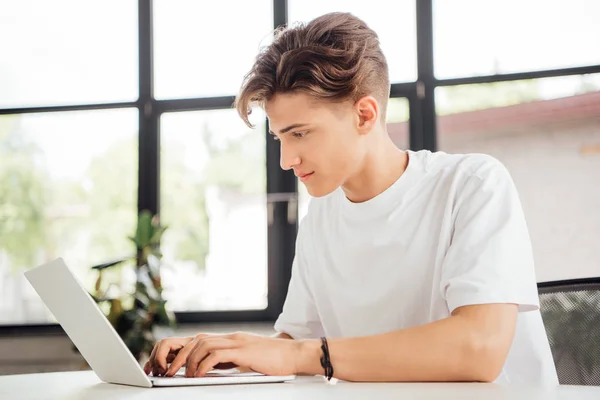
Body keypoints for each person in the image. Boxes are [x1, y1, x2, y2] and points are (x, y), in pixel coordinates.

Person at [144, 12, 558, 385]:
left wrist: (302, 354)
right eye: (280, 137)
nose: (287, 160)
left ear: (365, 115)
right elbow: (294, 344)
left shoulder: (473, 184)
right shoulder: (321, 215)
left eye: (300, 133)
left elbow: (479, 350)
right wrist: (227, 354)